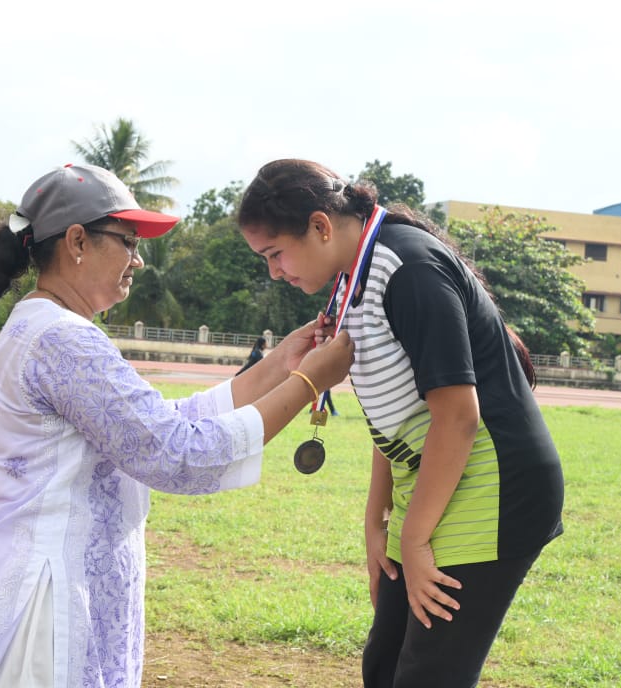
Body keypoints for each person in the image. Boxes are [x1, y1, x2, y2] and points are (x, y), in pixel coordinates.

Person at [0, 163, 353, 688]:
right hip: (44, 610)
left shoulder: (46, 327)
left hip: (34, 585)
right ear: (77, 242)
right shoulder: (64, 340)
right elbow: (174, 452)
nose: (137, 260)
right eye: (129, 241)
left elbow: (154, 423)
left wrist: (280, 365)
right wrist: (308, 384)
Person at [238, 159, 564, 688]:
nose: (274, 271)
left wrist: (413, 540)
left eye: (275, 254)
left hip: (493, 488)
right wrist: (377, 521)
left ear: (321, 226)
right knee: (384, 667)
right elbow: (395, 415)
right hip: (436, 481)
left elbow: (457, 417)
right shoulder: (352, 281)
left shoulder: (407, 269)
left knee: (426, 676)